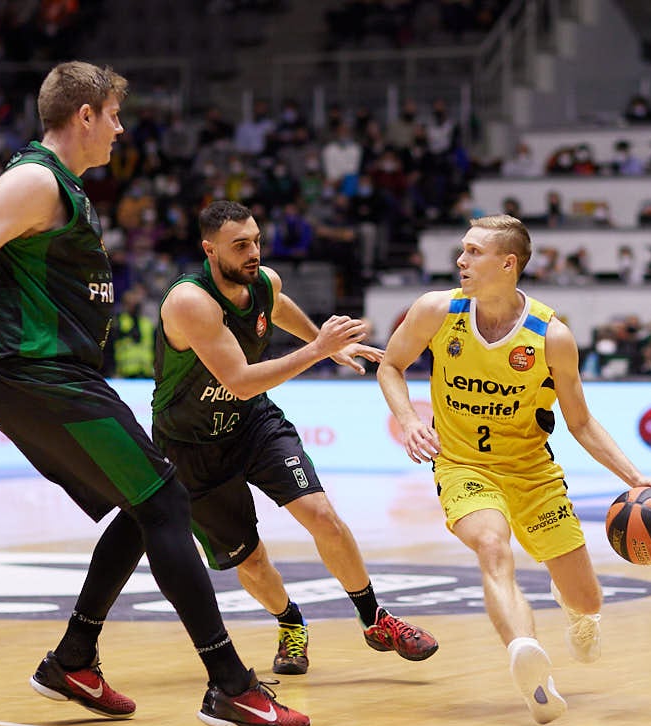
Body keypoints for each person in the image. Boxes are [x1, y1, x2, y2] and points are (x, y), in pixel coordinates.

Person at [0, 61, 309, 726]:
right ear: (84, 115)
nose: (120, 128)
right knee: (169, 501)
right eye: (113, 115)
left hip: (42, 375)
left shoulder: (61, 187)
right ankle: (230, 686)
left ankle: (74, 658)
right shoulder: (34, 180)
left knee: (143, 504)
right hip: (40, 377)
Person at [375, 214, 651, 726]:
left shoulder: (550, 336)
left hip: (532, 472)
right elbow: (390, 365)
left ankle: (571, 604)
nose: (461, 261)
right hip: (463, 465)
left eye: (473, 252)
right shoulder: (435, 310)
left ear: (507, 263)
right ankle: (527, 658)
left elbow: (579, 422)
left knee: (586, 599)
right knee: (493, 547)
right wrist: (407, 420)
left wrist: (634, 478)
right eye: (462, 251)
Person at [152, 200, 438, 676]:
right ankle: (290, 623)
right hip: (192, 444)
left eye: (257, 241)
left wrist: (329, 344)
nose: (253, 253)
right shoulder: (190, 302)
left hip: (252, 423)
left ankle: (375, 620)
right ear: (209, 249)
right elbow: (240, 380)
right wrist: (318, 349)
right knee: (254, 561)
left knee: (323, 516)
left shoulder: (264, 282)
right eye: (240, 245)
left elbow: (275, 307)